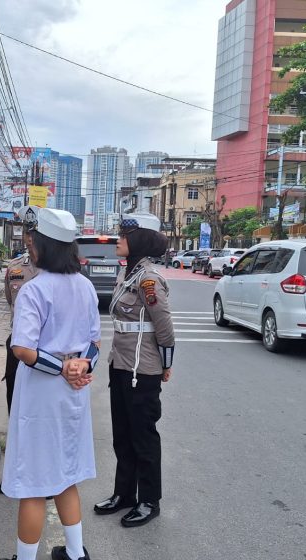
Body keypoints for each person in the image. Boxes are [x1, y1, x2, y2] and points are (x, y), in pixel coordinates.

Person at [0, 206, 100, 560]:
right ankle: (75, 554)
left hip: (44, 391)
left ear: (39, 246)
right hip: (74, 391)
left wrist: (61, 368)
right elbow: (94, 343)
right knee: (65, 475)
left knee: (34, 483)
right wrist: (81, 366)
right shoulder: (85, 286)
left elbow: (23, 349)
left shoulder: (34, 289)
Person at [94, 212, 175, 529]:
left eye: (124, 236)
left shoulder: (148, 279)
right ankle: (124, 494)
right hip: (121, 367)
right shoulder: (127, 274)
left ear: (138, 240)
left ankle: (149, 500)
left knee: (143, 438)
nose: (118, 240)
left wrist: (166, 364)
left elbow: (164, 325)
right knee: (122, 436)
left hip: (144, 370)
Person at [2, 210, 39, 413]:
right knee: (13, 391)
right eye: (27, 232)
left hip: (44, 345)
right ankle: (14, 440)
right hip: (17, 340)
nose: (30, 238)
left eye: (35, 233)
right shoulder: (15, 267)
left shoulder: (55, 268)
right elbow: (11, 300)